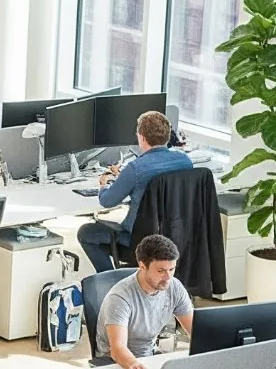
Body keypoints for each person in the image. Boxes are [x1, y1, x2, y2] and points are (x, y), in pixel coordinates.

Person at [77, 111, 194, 272]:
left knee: (86, 232)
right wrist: (123, 177)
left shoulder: (135, 168)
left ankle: (110, 279)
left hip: (140, 243)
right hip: (175, 236)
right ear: (168, 136)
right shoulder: (185, 161)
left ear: (142, 137)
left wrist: (104, 185)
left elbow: (107, 201)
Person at [100, 233, 194, 369]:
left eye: (172, 269)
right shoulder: (120, 297)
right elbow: (117, 348)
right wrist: (133, 364)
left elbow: (195, 331)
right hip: (116, 364)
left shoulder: (174, 287)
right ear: (142, 266)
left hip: (149, 357)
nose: (168, 277)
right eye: (161, 271)